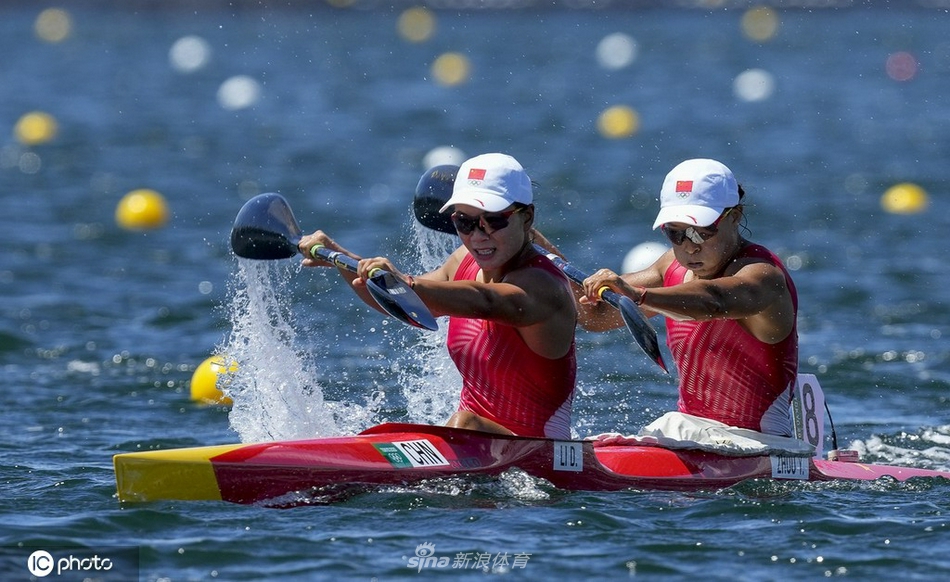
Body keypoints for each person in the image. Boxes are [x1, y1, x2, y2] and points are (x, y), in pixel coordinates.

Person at [298, 153, 578, 439]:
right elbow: (402, 297)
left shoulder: (543, 286)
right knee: (460, 424)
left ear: (527, 217)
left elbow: (486, 300)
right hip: (474, 442)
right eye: (464, 223)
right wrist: (339, 258)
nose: (479, 236)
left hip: (541, 454)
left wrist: (404, 281)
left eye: (494, 221)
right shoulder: (463, 262)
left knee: (464, 424)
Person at [577, 158, 798, 436]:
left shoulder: (764, 276)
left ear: (735, 216)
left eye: (700, 231)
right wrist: (536, 251)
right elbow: (593, 317)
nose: (689, 247)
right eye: (675, 233)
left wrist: (639, 295)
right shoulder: (670, 265)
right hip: (691, 432)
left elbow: (714, 301)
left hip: (759, 440)